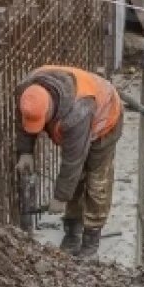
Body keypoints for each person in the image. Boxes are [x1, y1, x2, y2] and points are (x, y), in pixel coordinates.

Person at [14, 65, 123, 257]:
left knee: (96, 181)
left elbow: (73, 161)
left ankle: (91, 237)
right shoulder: (28, 91)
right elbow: (26, 119)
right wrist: (26, 151)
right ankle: (73, 229)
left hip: (105, 121)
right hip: (83, 113)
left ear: (51, 111)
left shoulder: (77, 112)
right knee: (76, 179)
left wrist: (60, 197)